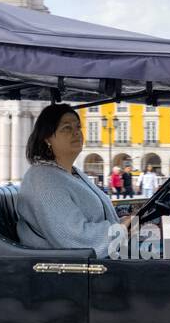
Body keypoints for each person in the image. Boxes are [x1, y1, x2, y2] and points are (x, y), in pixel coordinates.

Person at [17, 104, 139, 257]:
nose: (76, 133)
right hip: (69, 271)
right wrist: (120, 227)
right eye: (66, 128)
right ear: (47, 138)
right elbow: (75, 238)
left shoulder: (73, 173)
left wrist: (124, 221)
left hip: (97, 260)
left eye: (78, 127)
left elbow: (94, 217)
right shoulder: (44, 179)